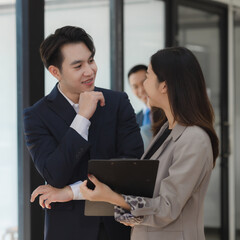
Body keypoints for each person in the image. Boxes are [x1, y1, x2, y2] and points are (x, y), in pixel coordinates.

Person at [31, 46, 219, 240]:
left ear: (164, 86)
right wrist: (73, 193)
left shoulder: (194, 139)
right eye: (78, 65)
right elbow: (143, 190)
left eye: (148, 76)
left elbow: (167, 207)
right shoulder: (165, 130)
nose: (143, 85)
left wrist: (111, 197)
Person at [24, 26, 143, 240]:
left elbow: (131, 167)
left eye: (91, 60)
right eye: (78, 66)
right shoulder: (36, 116)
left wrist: (71, 192)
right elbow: (54, 174)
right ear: (55, 72)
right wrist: (82, 118)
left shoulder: (117, 103)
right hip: (67, 231)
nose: (89, 71)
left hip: (118, 228)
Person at [128, 64, 152, 149]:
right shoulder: (134, 120)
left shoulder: (168, 113)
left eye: (144, 82)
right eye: (135, 87)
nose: (141, 90)